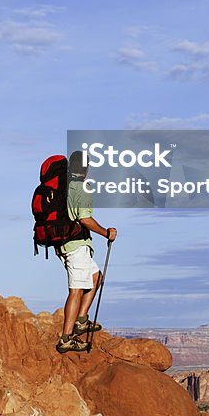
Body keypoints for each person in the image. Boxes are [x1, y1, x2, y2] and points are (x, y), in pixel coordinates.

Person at [56, 150, 117, 354]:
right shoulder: (81, 188)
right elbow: (84, 219)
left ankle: (81, 320)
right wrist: (105, 233)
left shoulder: (63, 186)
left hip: (69, 243)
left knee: (95, 277)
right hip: (75, 245)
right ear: (86, 168)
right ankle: (66, 338)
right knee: (76, 290)